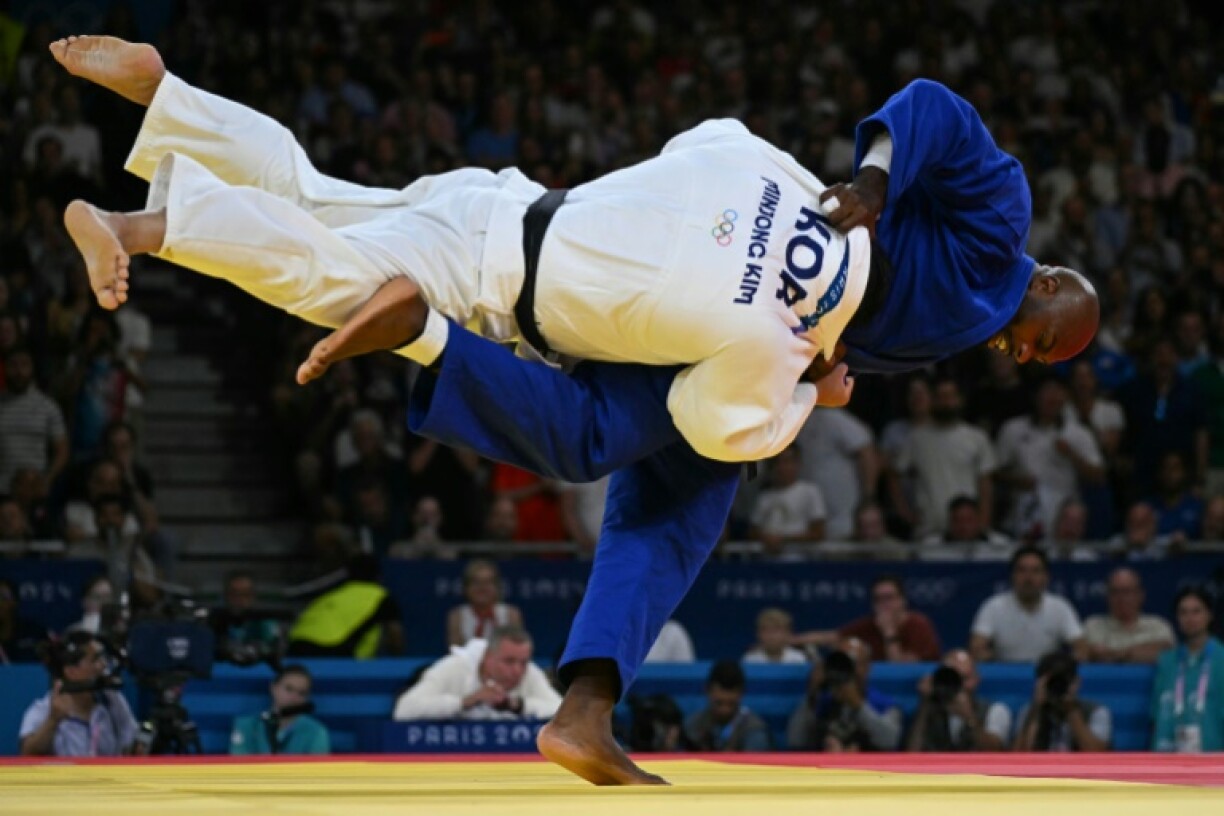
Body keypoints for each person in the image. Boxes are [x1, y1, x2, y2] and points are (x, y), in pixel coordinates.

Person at [56, 37, 1099, 786]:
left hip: (532, 209)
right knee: (576, 428)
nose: (1030, 350)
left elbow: (718, 145)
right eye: (1048, 333)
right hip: (584, 308)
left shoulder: (746, 161)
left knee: (332, 200)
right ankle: (171, 237)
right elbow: (931, 109)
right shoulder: (997, 234)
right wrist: (864, 201)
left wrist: (810, 335)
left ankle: (174, 105)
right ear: (1049, 277)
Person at [392, 625, 561, 721]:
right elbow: (404, 709)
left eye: (523, 662)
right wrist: (465, 702)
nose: (518, 670)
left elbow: (560, 711)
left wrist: (518, 705)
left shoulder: (530, 672)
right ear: (488, 656)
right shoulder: (455, 666)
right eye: (509, 661)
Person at [19, 631, 142, 756]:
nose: (104, 664)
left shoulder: (111, 699)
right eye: (95, 660)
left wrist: (138, 747)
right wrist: (53, 720)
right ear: (71, 672)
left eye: (102, 657)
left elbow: (130, 743)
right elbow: (28, 753)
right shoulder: (44, 709)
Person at [970, 546, 1088, 664]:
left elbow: (1082, 649)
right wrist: (996, 659)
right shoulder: (993, 606)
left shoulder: (1060, 607)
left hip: (1047, 673)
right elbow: (976, 649)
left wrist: (1063, 663)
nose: (1028, 578)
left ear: (1046, 577)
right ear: (1012, 576)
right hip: (1005, 673)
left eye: (1035, 571)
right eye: (1022, 570)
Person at [786, 637, 902, 751]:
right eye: (842, 664)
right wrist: (812, 693)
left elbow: (890, 742)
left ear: (867, 668)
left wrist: (858, 705)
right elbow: (795, 741)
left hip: (868, 767)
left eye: (854, 664)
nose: (848, 670)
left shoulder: (883, 705)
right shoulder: (820, 702)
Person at [792, 574, 941, 662]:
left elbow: (900, 670)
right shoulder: (869, 625)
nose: (884, 604)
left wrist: (889, 634)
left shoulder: (918, 624)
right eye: (878, 599)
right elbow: (832, 637)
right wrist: (789, 640)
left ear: (902, 600)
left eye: (889, 598)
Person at [1151, 587, 1224, 752]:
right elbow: (1156, 714)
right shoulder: (1166, 661)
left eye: (1196, 611)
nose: (1189, 618)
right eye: (1183, 612)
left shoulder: (1221, 659)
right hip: (1169, 757)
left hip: (1215, 758)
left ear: (1210, 615)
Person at [906, 649, 1011, 752]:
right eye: (952, 678)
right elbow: (912, 753)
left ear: (976, 679)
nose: (959, 685)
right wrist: (925, 705)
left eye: (964, 678)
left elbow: (995, 752)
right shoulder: (931, 710)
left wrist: (969, 718)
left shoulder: (995, 710)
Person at [1012, 652, 1112, 752]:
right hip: (1041, 766)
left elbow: (1098, 754)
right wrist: (1037, 709)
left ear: (1077, 682)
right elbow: (1018, 756)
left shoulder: (1096, 711)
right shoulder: (1029, 711)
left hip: (1079, 767)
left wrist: (1072, 710)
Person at [230, 664, 330, 755]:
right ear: (273, 687)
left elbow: (315, 772)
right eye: (289, 689)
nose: (294, 697)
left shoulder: (316, 732)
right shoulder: (246, 726)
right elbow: (237, 767)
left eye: (301, 693)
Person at [1083, 568, 1175, 664]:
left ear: (1140, 595)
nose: (1121, 598)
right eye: (1115, 592)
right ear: (1107, 597)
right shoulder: (1092, 626)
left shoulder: (1158, 626)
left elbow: (1166, 652)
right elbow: (1083, 654)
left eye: (1126, 592)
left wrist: (1117, 654)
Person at [682, 660, 773, 751]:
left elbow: (753, 763)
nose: (724, 710)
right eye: (718, 703)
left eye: (731, 704)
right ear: (708, 691)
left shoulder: (754, 730)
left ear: (741, 694)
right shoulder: (692, 726)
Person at [446, 559, 525, 647]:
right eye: (476, 582)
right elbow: (456, 652)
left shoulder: (511, 614)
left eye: (488, 582)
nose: (482, 588)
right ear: (466, 588)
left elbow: (517, 649)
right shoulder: (457, 616)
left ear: (497, 587)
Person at [743, 607, 808, 664]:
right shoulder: (750, 660)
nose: (771, 636)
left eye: (776, 630)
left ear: (787, 633)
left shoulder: (798, 659)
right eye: (766, 630)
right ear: (758, 634)